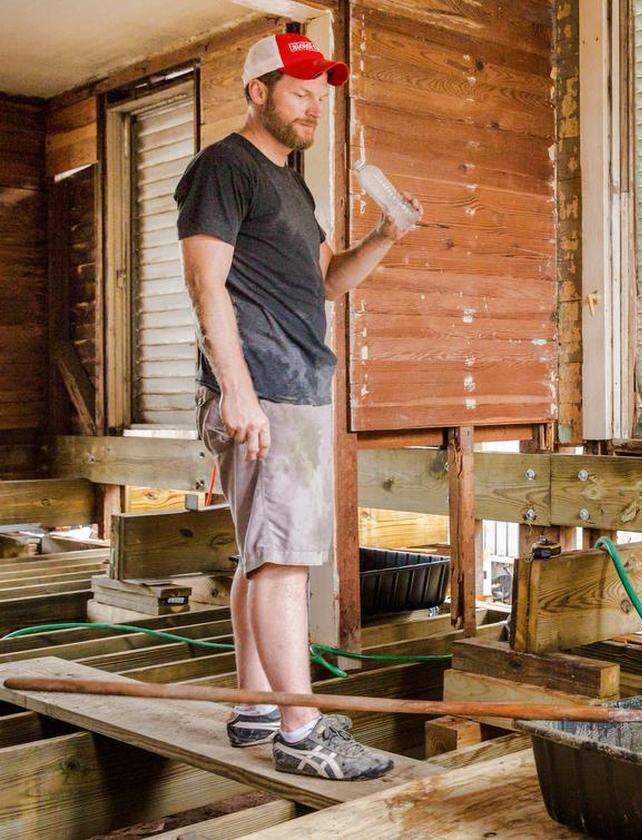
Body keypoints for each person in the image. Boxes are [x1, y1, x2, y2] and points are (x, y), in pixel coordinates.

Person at [175, 32, 421, 780]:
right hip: (266, 391)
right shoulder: (223, 167)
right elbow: (205, 283)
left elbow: (329, 283)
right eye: (300, 91)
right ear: (259, 92)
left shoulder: (292, 184)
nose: (314, 106)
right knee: (283, 563)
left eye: (321, 94)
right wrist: (239, 387)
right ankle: (302, 732)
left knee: (264, 558)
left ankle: (257, 707)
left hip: (297, 388)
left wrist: (385, 234)